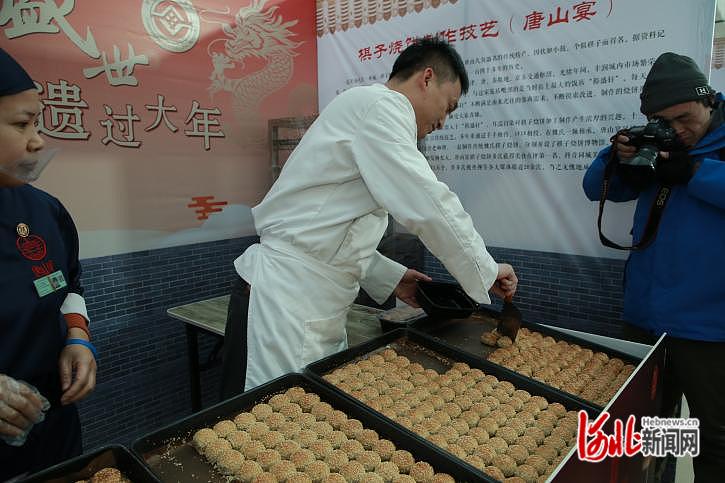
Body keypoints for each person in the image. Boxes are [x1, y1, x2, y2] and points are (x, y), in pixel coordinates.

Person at [221, 38, 518, 396]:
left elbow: (330, 230)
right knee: (270, 418)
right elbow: (429, 202)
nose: (443, 121)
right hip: (284, 305)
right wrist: (485, 269)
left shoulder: (368, 112)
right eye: (448, 106)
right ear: (427, 78)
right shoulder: (382, 106)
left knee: (302, 411)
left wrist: (391, 277)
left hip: (307, 304)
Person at [583, 52, 725, 482]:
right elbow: (594, 187)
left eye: (684, 118)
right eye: (664, 121)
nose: (677, 130)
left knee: (715, 435)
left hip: (708, 327)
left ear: (709, 100)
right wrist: (619, 156)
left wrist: (693, 172)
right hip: (647, 317)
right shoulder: (659, 142)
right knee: (654, 426)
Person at [0, 48, 97, 480]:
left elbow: (68, 284)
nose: (37, 141)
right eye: (22, 124)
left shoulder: (43, 210)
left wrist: (77, 337)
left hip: (54, 431)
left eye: (37, 123)